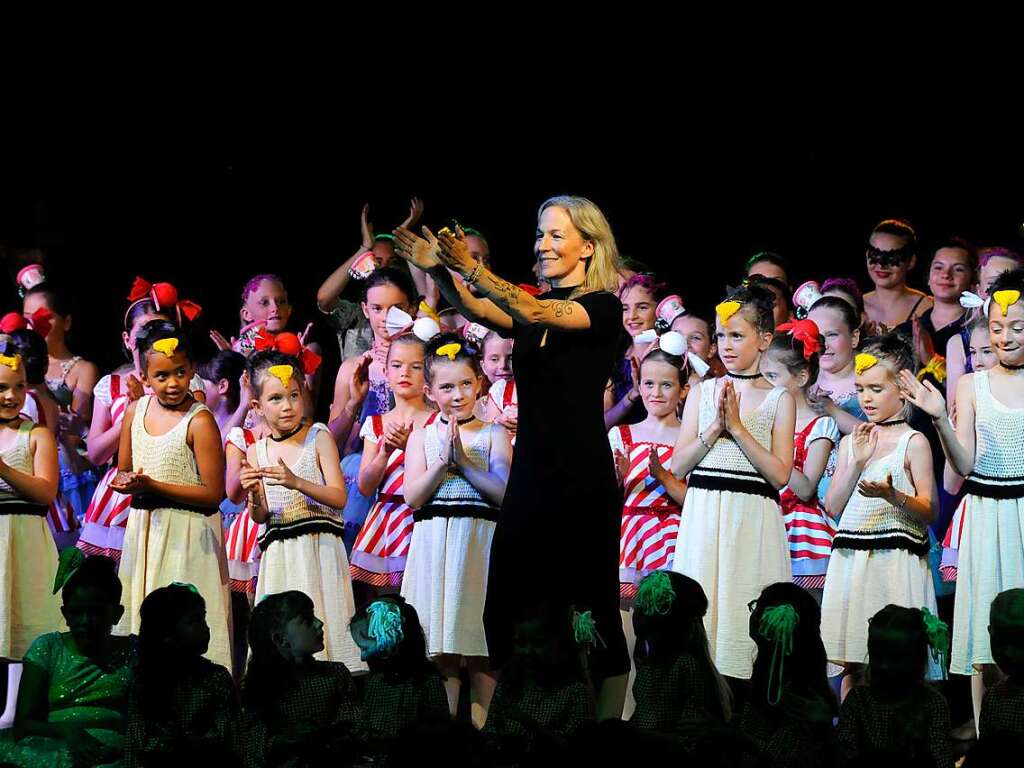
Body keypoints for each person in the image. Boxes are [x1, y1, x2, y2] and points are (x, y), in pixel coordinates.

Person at [393, 195, 631, 717]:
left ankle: (602, 730)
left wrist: (470, 265)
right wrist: (446, 275)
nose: (542, 244)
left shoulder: (601, 308)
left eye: (555, 235)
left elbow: (535, 307)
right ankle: (524, 718)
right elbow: (480, 309)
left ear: (587, 247)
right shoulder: (531, 315)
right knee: (510, 599)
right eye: (539, 234)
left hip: (579, 477)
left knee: (588, 602)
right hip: (532, 475)